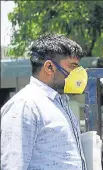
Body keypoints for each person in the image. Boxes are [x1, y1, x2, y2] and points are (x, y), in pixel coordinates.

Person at [1, 33, 88, 170]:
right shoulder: (26, 105)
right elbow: (12, 165)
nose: (78, 73)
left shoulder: (60, 102)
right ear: (49, 67)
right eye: (73, 66)